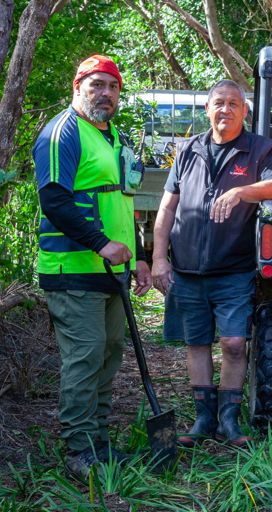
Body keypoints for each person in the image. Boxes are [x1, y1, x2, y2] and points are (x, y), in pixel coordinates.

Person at [33, 55, 152, 480]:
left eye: (112, 86)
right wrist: (102, 244)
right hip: (72, 269)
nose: (105, 93)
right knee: (85, 358)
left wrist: (137, 257)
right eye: (96, 84)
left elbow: (123, 203)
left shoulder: (115, 136)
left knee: (108, 355)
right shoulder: (63, 132)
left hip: (111, 273)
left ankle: (98, 442)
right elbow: (54, 199)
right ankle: (78, 452)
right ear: (77, 86)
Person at [152, 79, 272, 447]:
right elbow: (166, 209)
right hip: (187, 270)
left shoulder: (259, 149)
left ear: (245, 111)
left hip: (234, 270)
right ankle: (203, 419)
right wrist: (159, 258)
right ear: (207, 109)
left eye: (234, 104)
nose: (226, 109)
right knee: (196, 343)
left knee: (234, 343)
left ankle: (229, 420)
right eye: (219, 103)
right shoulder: (188, 150)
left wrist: (242, 191)